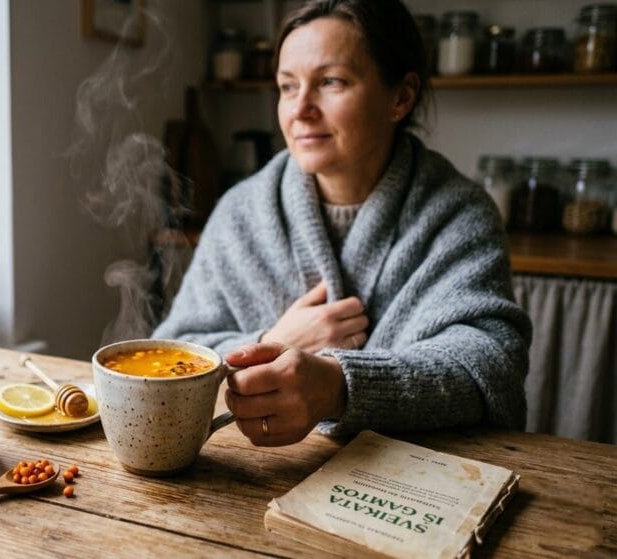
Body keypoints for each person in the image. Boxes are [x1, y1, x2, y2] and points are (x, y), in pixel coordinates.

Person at [153, 0, 531, 447]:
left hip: (416, 473)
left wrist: (341, 384)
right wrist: (273, 341)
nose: (301, 109)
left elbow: (491, 366)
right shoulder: (241, 212)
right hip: (256, 467)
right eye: (287, 86)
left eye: (330, 82)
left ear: (401, 97)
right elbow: (171, 351)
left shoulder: (459, 214)